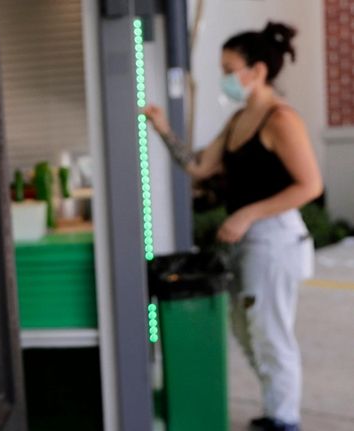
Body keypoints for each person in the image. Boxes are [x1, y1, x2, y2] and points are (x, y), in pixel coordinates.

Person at [145, 22, 322, 431]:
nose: (224, 77)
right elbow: (199, 166)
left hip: (275, 239)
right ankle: (275, 410)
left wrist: (248, 213)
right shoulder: (240, 119)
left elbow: (310, 185)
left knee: (271, 334)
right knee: (248, 332)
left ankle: (284, 419)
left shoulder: (280, 119)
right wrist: (162, 128)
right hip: (250, 242)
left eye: (229, 68)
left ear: (257, 71)